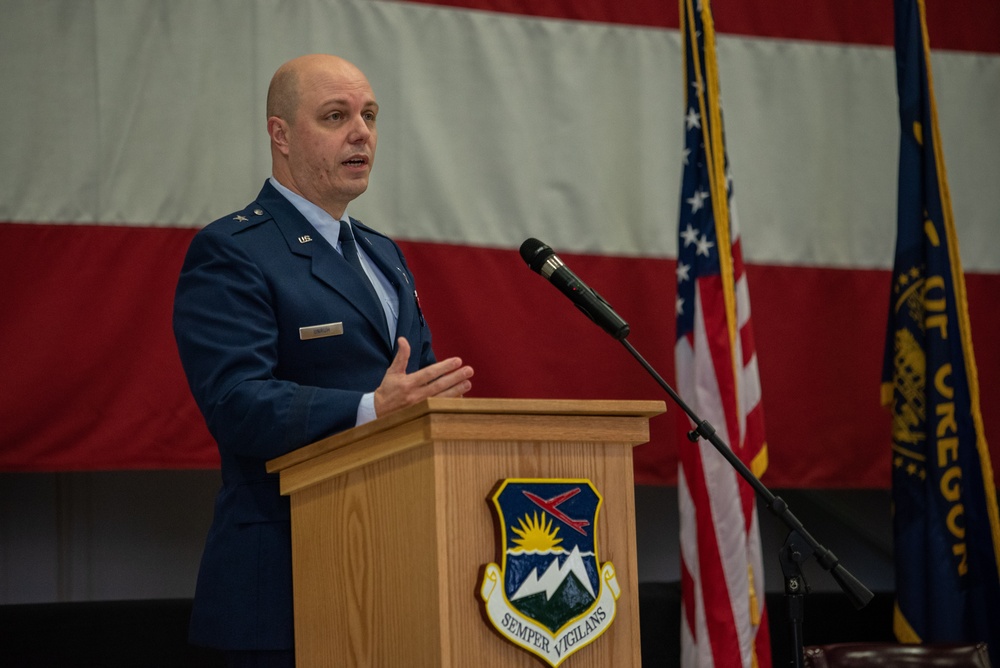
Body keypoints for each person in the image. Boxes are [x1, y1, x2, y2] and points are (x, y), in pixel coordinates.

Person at [172, 54, 474, 666]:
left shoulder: (383, 255)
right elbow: (236, 403)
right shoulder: (233, 251)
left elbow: (420, 392)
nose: (361, 132)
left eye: (368, 115)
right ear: (279, 135)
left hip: (397, 581)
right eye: (336, 116)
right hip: (282, 584)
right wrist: (371, 408)